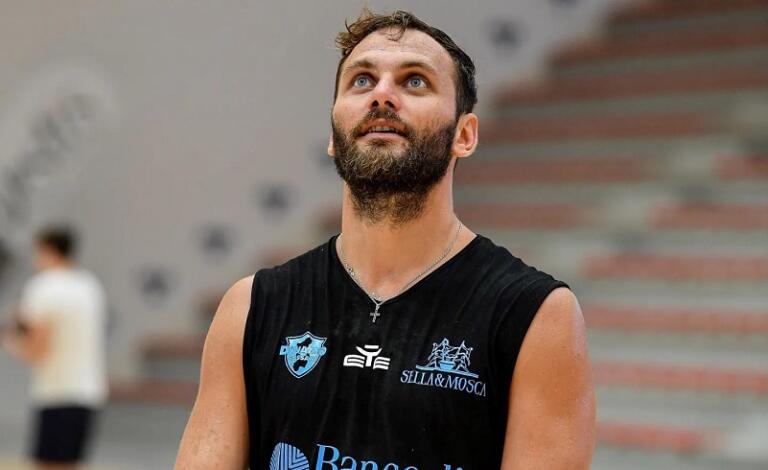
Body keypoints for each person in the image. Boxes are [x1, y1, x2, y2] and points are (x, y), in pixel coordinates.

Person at [175, 9, 595, 469]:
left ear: (465, 134)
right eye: (361, 80)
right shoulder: (251, 307)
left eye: (415, 81)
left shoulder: (536, 315)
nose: (381, 96)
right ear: (334, 135)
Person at [1, 226, 107, 470]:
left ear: (48, 250)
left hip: (57, 391)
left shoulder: (43, 287)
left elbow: (39, 350)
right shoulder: (90, 286)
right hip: (88, 391)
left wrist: (9, 341)